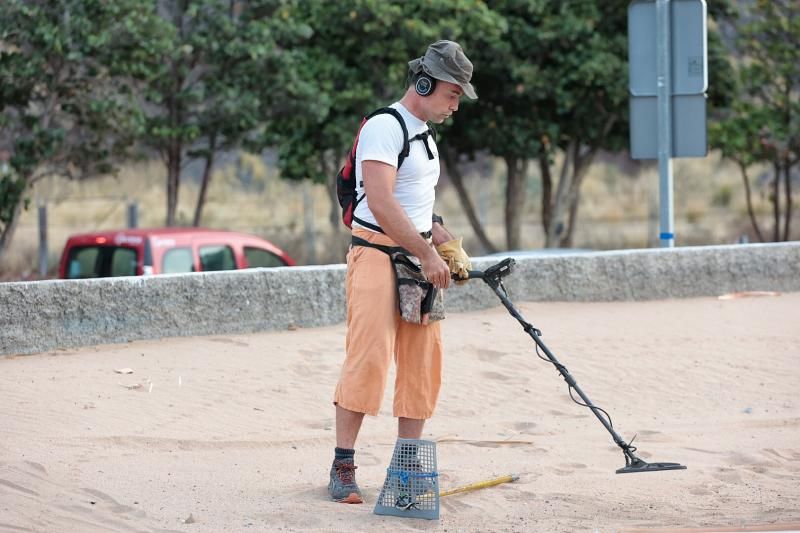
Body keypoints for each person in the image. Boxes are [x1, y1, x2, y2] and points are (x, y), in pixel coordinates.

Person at [328, 40, 476, 504]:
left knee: (421, 364)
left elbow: (418, 209)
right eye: (451, 94)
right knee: (368, 358)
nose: (454, 106)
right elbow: (382, 202)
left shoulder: (427, 138)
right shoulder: (383, 127)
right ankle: (343, 465)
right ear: (425, 82)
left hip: (418, 259)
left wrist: (445, 243)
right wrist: (427, 255)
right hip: (375, 254)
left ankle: (407, 468)